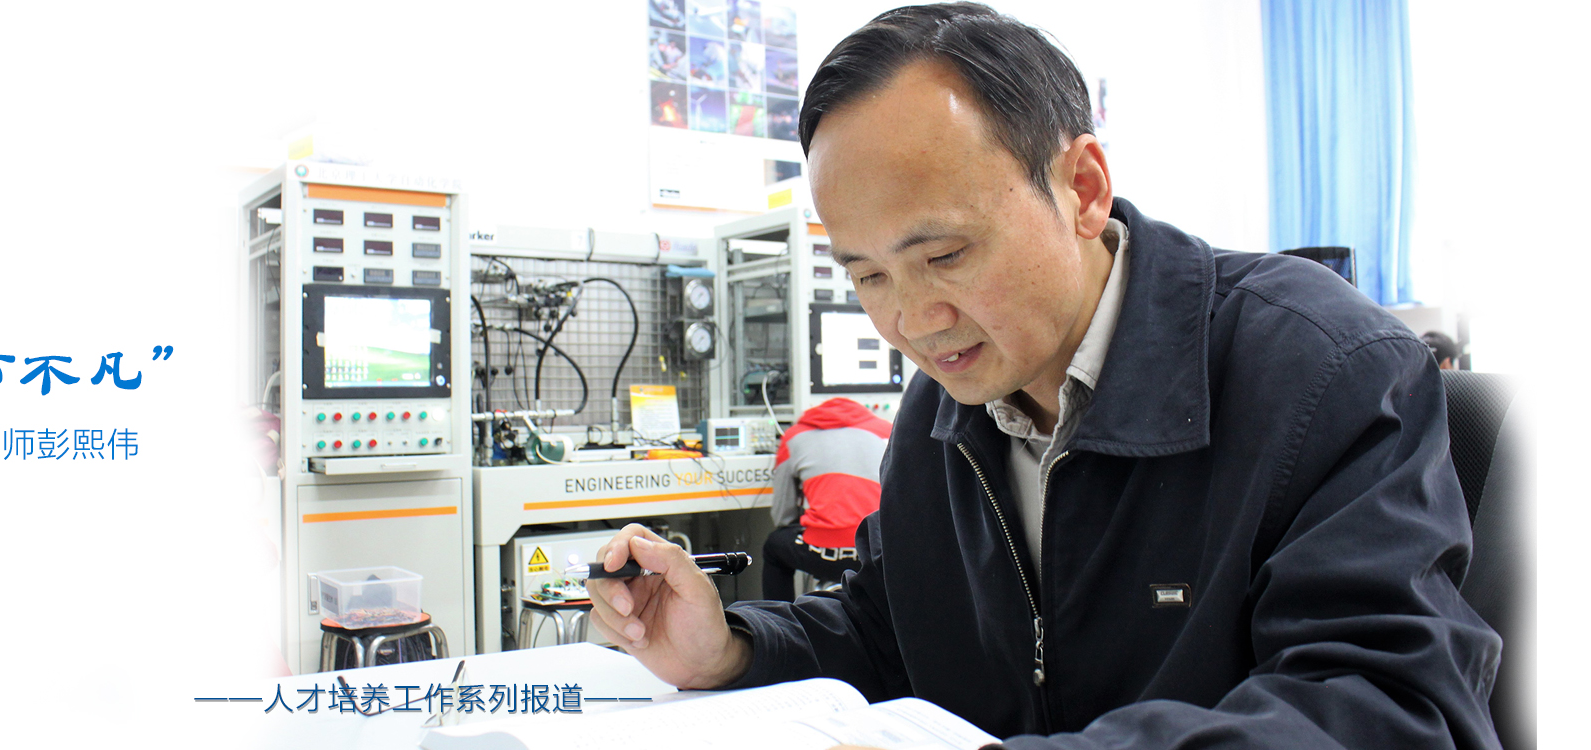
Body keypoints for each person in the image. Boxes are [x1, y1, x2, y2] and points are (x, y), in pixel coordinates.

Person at [586, 4, 1501, 749]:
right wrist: (733, 649)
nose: (911, 321)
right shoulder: (945, 412)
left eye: (945, 255)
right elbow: (892, 628)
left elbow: (1389, 708)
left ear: (1084, 188)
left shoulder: (1321, 369)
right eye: (868, 276)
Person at [758, 396, 887, 600]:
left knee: (774, 547)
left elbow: (783, 514)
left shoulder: (793, 437)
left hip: (821, 554)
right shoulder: (888, 431)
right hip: (876, 553)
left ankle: (778, 618)